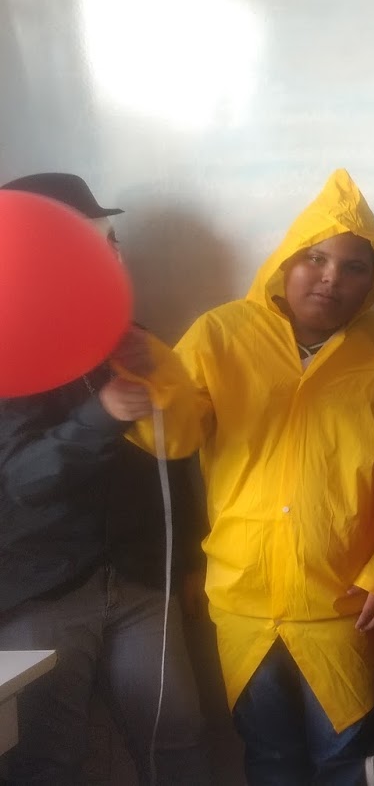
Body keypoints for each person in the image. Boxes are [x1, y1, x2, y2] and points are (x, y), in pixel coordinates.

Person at [134, 169, 374, 786]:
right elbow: (173, 436)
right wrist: (141, 394)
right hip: (244, 603)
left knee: (348, 764)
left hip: (346, 607)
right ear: (287, 259)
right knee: (270, 761)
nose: (331, 277)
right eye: (316, 258)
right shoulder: (221, 333)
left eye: (354, 266)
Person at [0, 173, 211, 785]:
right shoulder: (11, 353)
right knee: (49, 757)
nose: (113, 257)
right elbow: (23, 479)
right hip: (42, 590)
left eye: (113, 242)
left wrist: (190, 559)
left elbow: (180, 458)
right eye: (93, 245)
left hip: (140, 580)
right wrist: (102, 416)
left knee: (176, 739)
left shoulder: (132, 340)